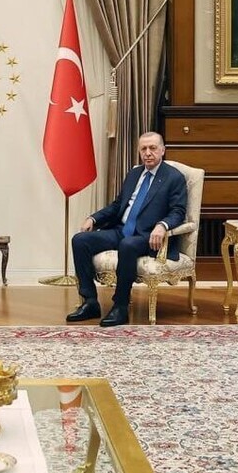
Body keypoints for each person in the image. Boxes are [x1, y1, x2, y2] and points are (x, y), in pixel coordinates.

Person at [67, 131, 188, 327]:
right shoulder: (134, 174)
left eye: (153, 148)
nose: (148, 153)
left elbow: (178, 211)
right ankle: (90, 302)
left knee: (128, 245)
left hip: (148, 236)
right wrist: (94, 218)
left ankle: (120, 306)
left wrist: (162, 225)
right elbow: (117, 205)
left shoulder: (174, 177)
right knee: (80, 240)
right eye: (143, 149)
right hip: (121, 230)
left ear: (162, 150)